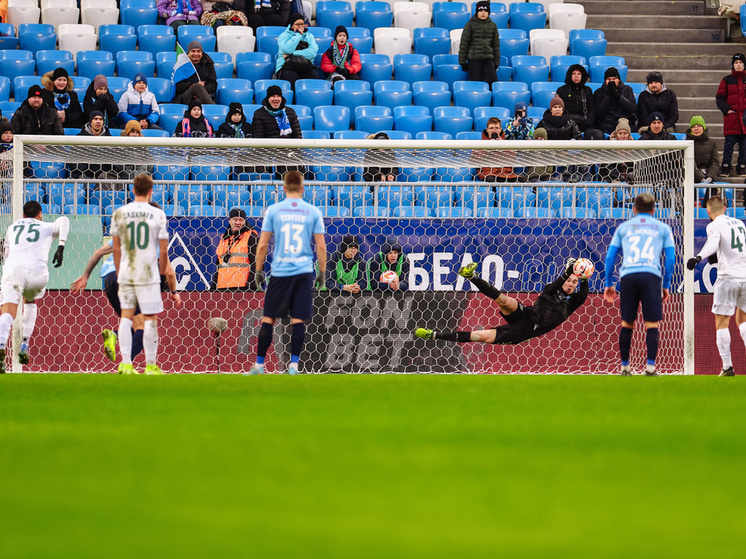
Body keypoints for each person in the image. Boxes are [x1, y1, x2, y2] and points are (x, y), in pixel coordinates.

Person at [70, 212, 180, 364]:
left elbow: (98, 252)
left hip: (109, 280)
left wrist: (85, 276)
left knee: (133, 324)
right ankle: (126, 363)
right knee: (144, 329)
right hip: (130, 278)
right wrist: (174, 292)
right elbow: (168, 271)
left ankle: (116, 338)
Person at [248, 170, 326, 375]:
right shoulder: (312, 211)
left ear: (283, 188)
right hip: (302, 271)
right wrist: (322, 272)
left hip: (281, 271)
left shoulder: (274, 210)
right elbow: (321, 247)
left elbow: (263, 244)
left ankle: (258, 366)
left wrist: (258, 269)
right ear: (302, 188)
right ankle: (293, 366)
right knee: (298, 320)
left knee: (268, 319)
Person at [414, 258, 588, 347]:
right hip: (528, 314)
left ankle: (434, 334)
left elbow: (584, 293)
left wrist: (585, 277)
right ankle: (470, 276)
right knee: (503, 300)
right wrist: (570, 270)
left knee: (478, 336)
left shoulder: (574, 301)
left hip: (525, 331)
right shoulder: (551, 288)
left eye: (575, 282)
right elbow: (560, 280)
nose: (571, 284)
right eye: (570, 280)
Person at [110, 174, 178, 375]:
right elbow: (164, 251)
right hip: (148, 272)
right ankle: (150, 365)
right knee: (150, 318)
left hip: (126, 271)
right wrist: (164, 272)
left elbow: (116, 249)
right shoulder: (157, 214)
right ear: (151, 191)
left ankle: (126, 364)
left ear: (133, 190)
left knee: (126, 317)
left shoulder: (120, 212)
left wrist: (118, 271)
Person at [603, 193, 676, 376]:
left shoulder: (624, 227)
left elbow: (610, 257)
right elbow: (671, 260)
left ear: (634, 209)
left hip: (628, 275)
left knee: (627, 323)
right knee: (652, 324)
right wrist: (665, 285)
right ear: (654, 210)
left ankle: (625, 367)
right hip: (651, 276)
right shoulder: (663, 228)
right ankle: (650, 368)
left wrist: (609, 283)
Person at [0, 201, 69, 373]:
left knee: (8, 309)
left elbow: (6, 254)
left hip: (13, 270)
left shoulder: (12, 227)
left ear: (23, 215)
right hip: (37, 273)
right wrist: (61, 246)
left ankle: (1, 344)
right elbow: (64, 220)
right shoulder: (45, 226)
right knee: (30, 300)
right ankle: (24, 342)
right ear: (40, 214)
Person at [686, 195, 746, 376]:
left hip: (727, 277)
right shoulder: (740, 224)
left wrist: (698, 257)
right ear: (726, 208)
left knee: (722, 322)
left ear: (708, 211)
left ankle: (727, 367)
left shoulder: (713, 225)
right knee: (743, 321)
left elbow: (712, 242)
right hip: (744, 276)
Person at [212, 207, 260, 290]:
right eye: (235, 219)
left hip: (241, 288)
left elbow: (256, 264)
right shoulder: (224, 238)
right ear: (229, 221)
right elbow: (219, 266)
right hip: (222, 287)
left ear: (244, 222)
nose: (237, 222)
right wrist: (213, 288)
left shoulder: (251, 236)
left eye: (241, 220)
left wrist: (250, 286)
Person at [716, 53, 746, 177]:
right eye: (736, 63)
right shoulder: (726, 80)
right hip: (732, 119)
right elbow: (720, 97)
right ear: (733, 65)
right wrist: (727, 110)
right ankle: (726, 167)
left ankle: (742, 167)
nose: (738, 65)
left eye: (740, 63)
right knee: (729, 145)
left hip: (744, 119)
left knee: (744, 146)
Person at [458, 0, 500, 85]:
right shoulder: (470, 24)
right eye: (480, 11)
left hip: (488, 59)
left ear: (489, 13)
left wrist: (496, 62)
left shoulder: (493, 25)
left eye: (485, 11)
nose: (483, 13)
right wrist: (462, 61)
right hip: (474, 59)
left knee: (493, 82)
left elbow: (496, 45)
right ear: (477, 12)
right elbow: (464, 43)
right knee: (475, 83)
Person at [275, 13, 319, 88]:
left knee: (314, 77)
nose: (300, 26)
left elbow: (312, 52)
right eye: (297, 24)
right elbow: (287, 50)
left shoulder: (309, 36)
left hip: (305, 65)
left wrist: (293, 54)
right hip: (286, 66)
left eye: (302, 24)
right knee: (292, 78)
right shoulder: (284, 36)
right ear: (292, 25)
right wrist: (298, 35)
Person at [556, 63, 599, 139]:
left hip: (585, 123)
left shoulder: (587, 90)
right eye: (574, 74)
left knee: (597, 134)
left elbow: (592, 110)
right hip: (567, 123)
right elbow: (558, 109)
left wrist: (587, 123)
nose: (576, 76)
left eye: (579, 74)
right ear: (570, 75)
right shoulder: (561, 90)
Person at [593, 67, 637, 135]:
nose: (611, 81)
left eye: (614, 79)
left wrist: (618, 96)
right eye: (609, 79)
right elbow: (599, 113)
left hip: (624, 123)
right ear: (605, 81)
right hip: (606, 124)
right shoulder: (599, 92)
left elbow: (632, 109)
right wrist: (608, 95)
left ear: (619, 79)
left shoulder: (627, 90)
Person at [172, 41, 218, 105]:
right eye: (193, 51)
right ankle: (214, 108)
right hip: (186, 96)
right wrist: (192, 86)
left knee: (198, 101)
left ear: (202, 53)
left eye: (198, 51)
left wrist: (202, 90)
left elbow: (213, 86)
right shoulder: (182, 65)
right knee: (197, 87)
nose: (196, 54)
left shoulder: (208, 64)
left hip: (203, 96)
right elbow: (179, 87)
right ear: (188, 53)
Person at [687, 116, 721, 195]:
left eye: (699, 126)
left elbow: (715, 162)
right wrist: (700, 178)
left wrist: (710, 176)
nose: (696, 129)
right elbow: (687, 164)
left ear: (703, 128)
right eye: (693, 126)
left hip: (709, 175)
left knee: (713, 189)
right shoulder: (686, 143)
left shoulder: (712, 143)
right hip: (692, 176)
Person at [475, 117, 518, 182]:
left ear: (500, 129)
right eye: (491, 128)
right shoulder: (480, 144)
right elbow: (476, 162)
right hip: (489, 173)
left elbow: (513, 161)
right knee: (491, 179)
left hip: (506, 173)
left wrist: (503, 146)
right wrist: (488, 147)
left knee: (522, 179)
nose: (494, 131)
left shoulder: (507, 144)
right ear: (487, 130)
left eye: (497, 128)